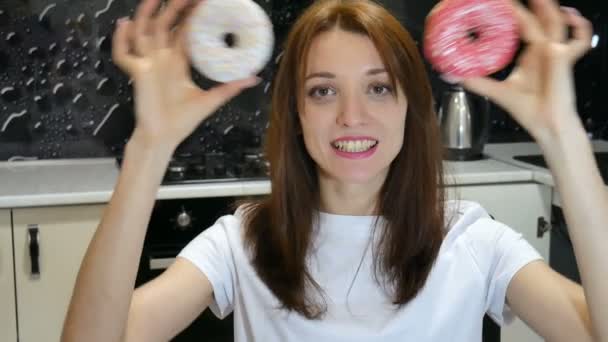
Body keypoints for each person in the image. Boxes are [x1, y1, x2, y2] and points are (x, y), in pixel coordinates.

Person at [61, 0, 607, 341]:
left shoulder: (472, 239)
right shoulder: (242, 241)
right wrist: (149, 147)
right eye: (323, 90)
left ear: (408, 107)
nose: (351, 115)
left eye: (377, 87)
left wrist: (562, 134)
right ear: (297, 115)